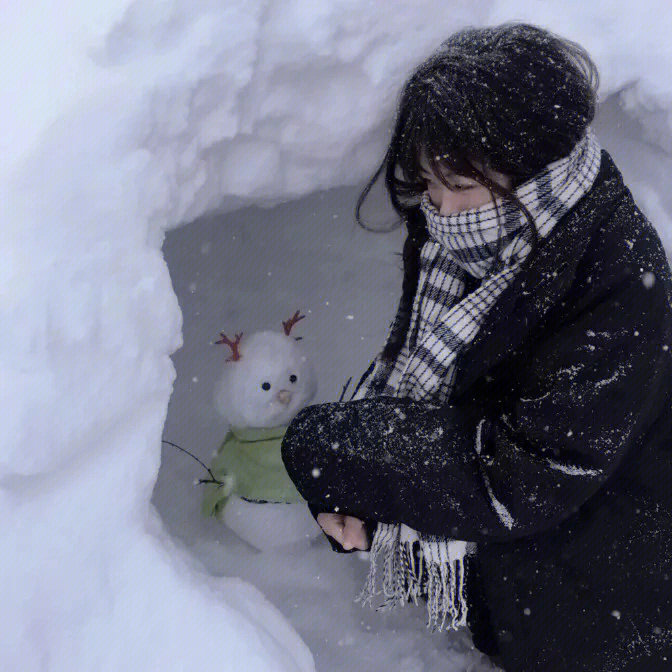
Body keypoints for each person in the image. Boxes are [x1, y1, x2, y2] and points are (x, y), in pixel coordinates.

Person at [280, 22, 672, 672]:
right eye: (430, 184)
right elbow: (440, 388)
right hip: (529, 574)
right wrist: (373, 504)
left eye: (459, 184)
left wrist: (340, 453)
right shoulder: (478, 225)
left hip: (608, 602)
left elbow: (516, 478)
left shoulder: (620, 280)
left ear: (537, 163)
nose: (440, 209)